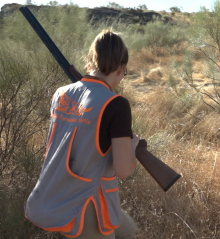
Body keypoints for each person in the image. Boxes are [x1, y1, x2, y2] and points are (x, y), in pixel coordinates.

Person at [24, 30, 139, 239]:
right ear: (122, 70)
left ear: (89, 62)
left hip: (56, 194)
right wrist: (133, 146)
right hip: (85, 202)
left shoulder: (61, 93)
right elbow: (124, 171)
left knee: (128, 231)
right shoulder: (116, 104)